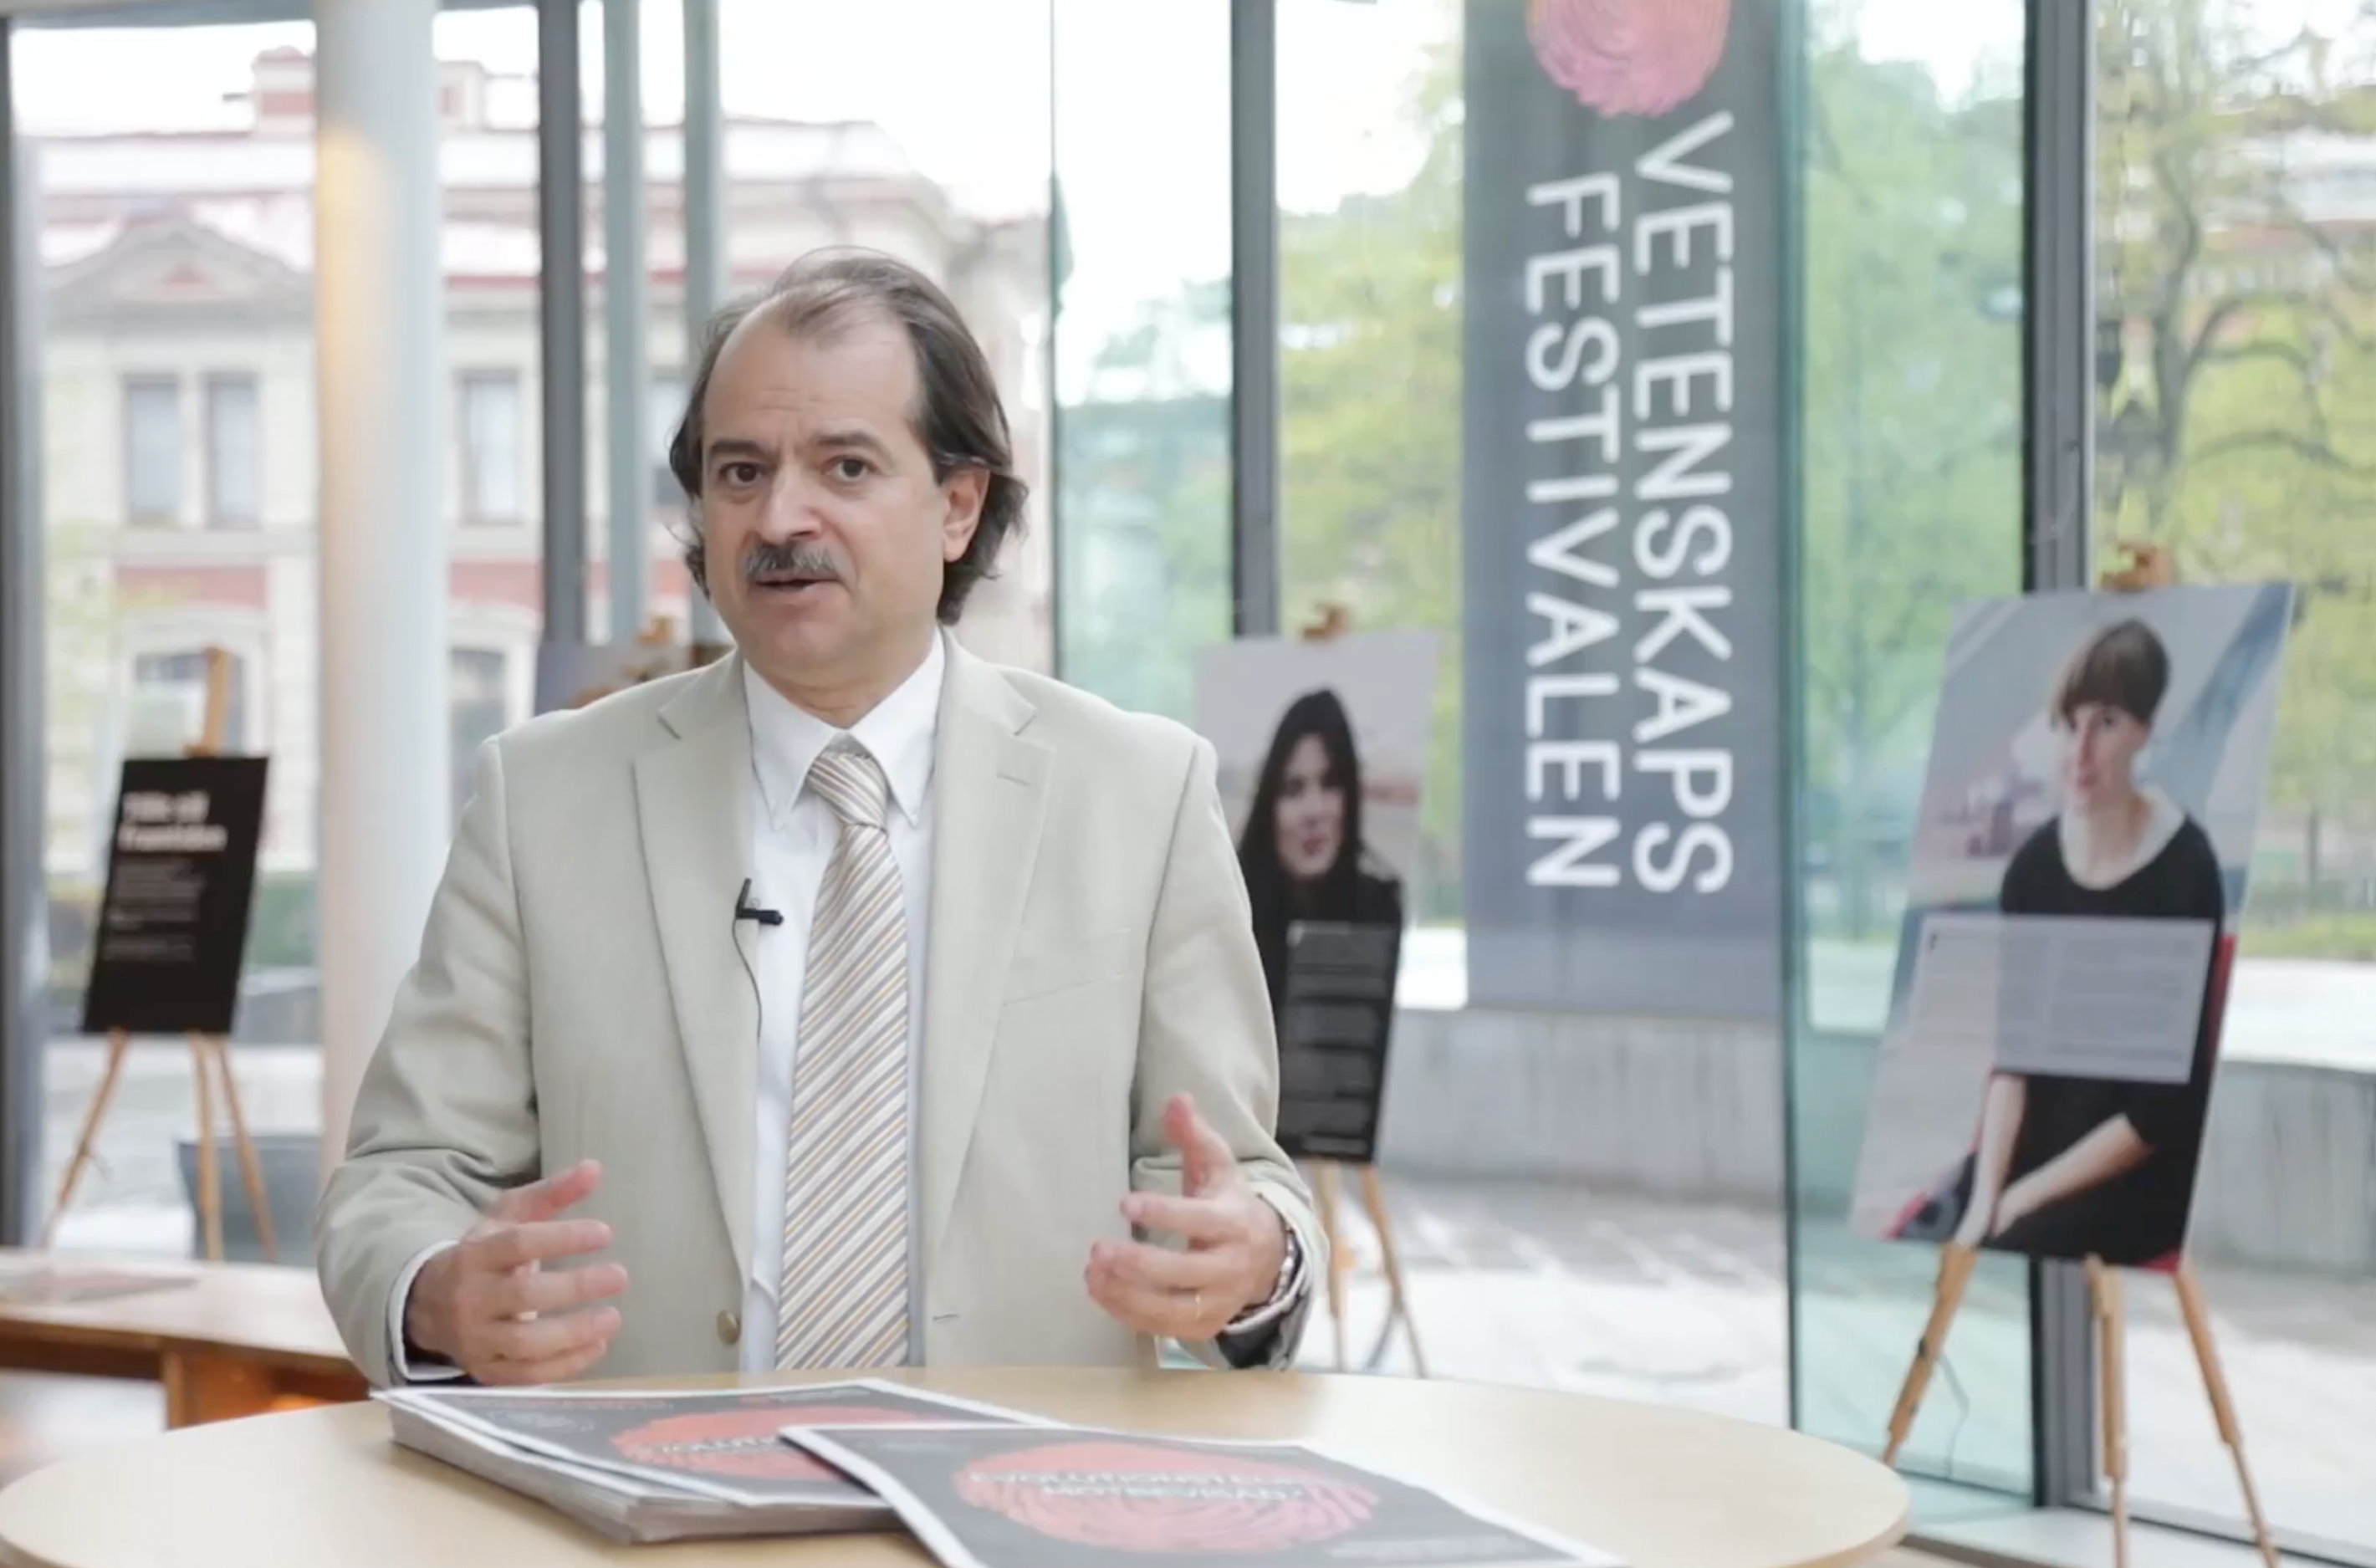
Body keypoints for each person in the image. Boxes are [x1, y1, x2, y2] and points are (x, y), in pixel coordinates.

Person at [315, 248, 1321, 1387]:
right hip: (645, 1515)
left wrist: (1255, 1257)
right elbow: (398, 1175)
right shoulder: (542, 796)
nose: (779, 514)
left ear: (957, 503)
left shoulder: (1140, 794)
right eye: (739, 472)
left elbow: (1245, 1182)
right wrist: (440, 1289)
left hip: (1012, 1511)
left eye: (843, 465)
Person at [1944, 616, 2227, 1266]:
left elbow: (2160, 1111)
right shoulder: (2032, 869)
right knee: (1946, 1225)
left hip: (2133, 1161)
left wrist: (2023, 1197)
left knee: (2012, 1243)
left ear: (2144, 733)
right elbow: (2013, 1061)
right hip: (2040, 1136)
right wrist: (1987, 1197)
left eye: (2105, 723)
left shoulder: (2183, 868)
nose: (2080, 751)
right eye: (2070, 724)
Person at [1234, 688, 1406, 1016]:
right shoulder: (1232, 911)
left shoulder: (1379, 905)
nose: (1314, 812)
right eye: (1293, 789)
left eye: (1330, 784)